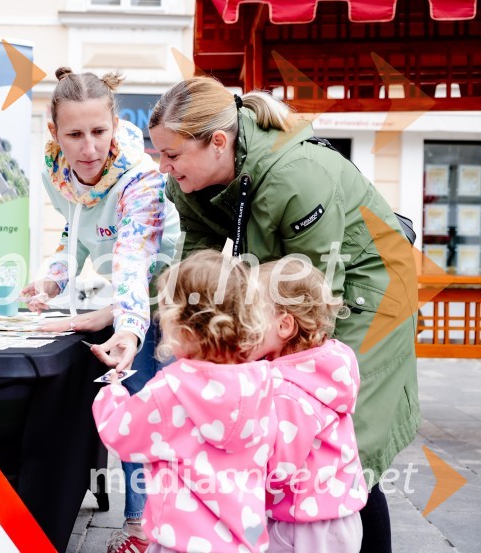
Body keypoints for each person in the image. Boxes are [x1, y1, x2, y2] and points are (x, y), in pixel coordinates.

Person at [148, 77, 418, 553]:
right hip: (286, 288)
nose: (165, 168)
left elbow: (314, 294)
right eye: (159, 155)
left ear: (216, 142)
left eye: (172, 156)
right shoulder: (189, 179)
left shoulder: (297, 174)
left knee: (341, 441)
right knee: (285, 432)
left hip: (361, 293)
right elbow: (196, 264)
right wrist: (183, 327)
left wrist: (251, 348)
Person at [19, 67, 180, 553]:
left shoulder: (142, 179)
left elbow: (133, 259)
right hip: (127, 292)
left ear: (114, 123)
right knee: (134, 404)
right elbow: (79, 233)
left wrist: (125, 325)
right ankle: (149, 524)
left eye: (98, 131)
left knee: (143, 405)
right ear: (54, 134)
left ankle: (143, 530)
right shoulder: (55, 171)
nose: (89, 147)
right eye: (74, 134)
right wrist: (54, 278)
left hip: (167, 287)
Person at [92, 249, 274, 553]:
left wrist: (112, 391)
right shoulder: (263, 380)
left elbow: (120, 435)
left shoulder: (171, 388)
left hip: (181, 539)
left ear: (183, 329)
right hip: (246, 536)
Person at [257, 257, 367, 553]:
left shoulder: (287, 391)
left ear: (283, 325)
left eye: (249, 318)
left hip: (302, 521)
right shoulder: (327, 366)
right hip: (338, 515)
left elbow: (277, 471)